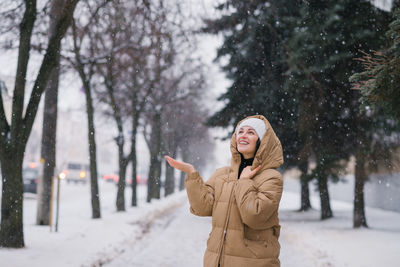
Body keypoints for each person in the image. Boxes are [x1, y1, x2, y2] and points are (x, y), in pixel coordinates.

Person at [165, 115, 284, 267]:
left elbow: (255, 215)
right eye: (240, 132)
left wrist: (244, 181)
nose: (243, 135)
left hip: (253, 262)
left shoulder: (271, 178)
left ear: (262, 141)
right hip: (217, 261)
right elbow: (202, 208)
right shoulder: (222, 174)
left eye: (251, 132)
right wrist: (191, 174)